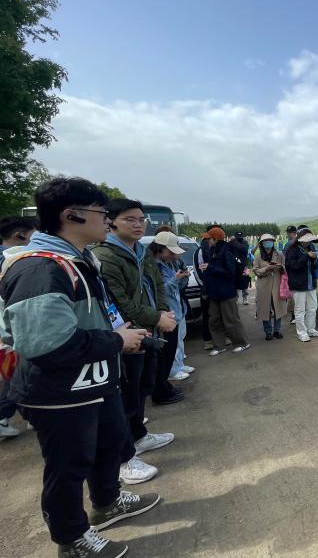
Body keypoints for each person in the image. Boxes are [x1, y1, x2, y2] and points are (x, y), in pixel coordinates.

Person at [0, 177, 159, 558]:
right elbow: (46, 344)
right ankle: (71, 538)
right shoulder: (41, 269)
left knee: (109, 444)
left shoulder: (78, 260)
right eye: (102, 213)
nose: (108, 220)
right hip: (59, 393)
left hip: (94, 382)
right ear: (71, 215)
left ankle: (107, 501)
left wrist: (118, 334)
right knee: (68, 467)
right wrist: (117, 341)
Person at [92, 199, 179, 486]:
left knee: (142, 387)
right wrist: (157, 317)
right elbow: (120, 302)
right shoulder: (105, 256)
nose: (138, 224)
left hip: (149, 330)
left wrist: (163, 313)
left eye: (141, 219)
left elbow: (157, 286)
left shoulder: (141, 252)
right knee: (126, 395)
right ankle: (124, 456)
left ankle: (139, 437)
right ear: (111, 221)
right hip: (127, 334)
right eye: (130, 219)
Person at [0, 215, 38, 439]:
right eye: (36, 234)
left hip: (8, 330)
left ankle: (30, 414)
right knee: (17, 376)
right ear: (21, 235)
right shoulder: (16, 260)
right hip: (12, 331)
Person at [199, 227, 250, 355]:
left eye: (209, 238)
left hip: (227, 293)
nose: (207, 240)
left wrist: (211, 267)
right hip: (214, 293)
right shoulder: (212, 251)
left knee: (231, 320)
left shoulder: (227, 252)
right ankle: (219, 346)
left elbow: (230, 273)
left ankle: (242, 343)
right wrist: (206, 289)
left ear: (215, 239)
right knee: (214, 320)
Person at [149, 232, 192, 381]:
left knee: (179, 340)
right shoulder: (153, 265)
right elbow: (161, 290)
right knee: (169, 344)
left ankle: (178, 365)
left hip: (176, 306)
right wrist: (175, 279)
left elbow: (176, 288)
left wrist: (183, 278)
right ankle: (172, 371)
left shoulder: (169, 263)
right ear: (160, 248)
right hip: (166, 310)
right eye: (171, 251)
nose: (173, 254)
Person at [285, 231, 318, 342]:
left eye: (309, 240)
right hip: (298, 284)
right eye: (305, 240)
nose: (307, 242)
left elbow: (314, 266)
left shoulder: (310, 248)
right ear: (300, 240)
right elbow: (293, 266)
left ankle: (311, 329)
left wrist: (314, 259)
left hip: (310, 283)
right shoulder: (292, 250)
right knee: (300, 309)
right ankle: (302, 332)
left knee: (312, 307)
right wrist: (306, 256)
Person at [253, 234, 288, 340]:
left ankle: (277, 330)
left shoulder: (280, 254)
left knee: (278, 308)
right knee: (265, 309)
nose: (268, 242)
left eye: (270, 240)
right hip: (264, 286)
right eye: (266, 241)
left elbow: (285, 268)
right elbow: (255, 271)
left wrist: (280, 267)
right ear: (262, 243)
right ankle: (268, 332)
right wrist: (267, 268)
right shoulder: (258, 256)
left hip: (277, 285)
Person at [193, 226, 215, 350]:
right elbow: (198, 272)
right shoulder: (199, 251)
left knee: (218, 315)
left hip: (216, 289)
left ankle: (220, 337)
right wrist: (206, 288)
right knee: (207, 316)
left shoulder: (216, 249)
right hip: (206, 290)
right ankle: (208, 341)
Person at [229, 232, 250, 305]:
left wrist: (234, 242)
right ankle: (236, 298)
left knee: (245, 281)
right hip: (235, 265)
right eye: (237, 237)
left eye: (240, 237)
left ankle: (245, 298)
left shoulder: (244, 243)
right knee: (236, 282)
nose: (239, 238)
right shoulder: (232, 243)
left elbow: (244, 249)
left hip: (244, 265)